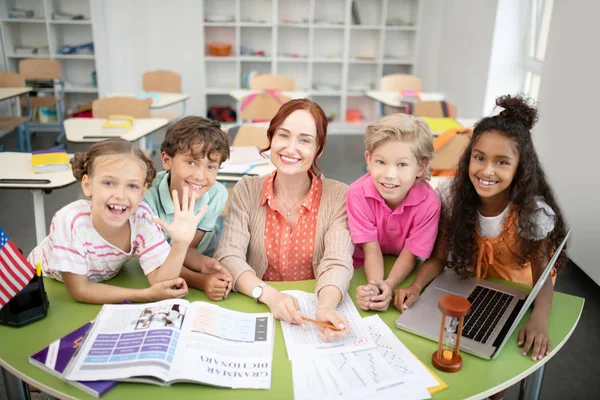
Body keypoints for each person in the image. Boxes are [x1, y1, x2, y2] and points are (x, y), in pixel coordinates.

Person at [394, 95, 568, 377]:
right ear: (469, 157)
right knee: (430, 348)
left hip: (514, 292)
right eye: (479, 158)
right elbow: (438, 259)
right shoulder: (452, 195)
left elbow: (542, 280)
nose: (487, 171)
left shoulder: (533, 214)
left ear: (520, 168)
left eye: (501, 162)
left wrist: (538, 319)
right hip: (468, 283)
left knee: (494, 371)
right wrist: (415, 288)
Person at [214, 99, 354, 342]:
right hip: (256, 306)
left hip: (310, 315)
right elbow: (229, 257)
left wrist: (326, 307)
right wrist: (269, 296)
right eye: (284, 135)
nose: (291, 148)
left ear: (319, 149)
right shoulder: (247, 189)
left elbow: (337, 262)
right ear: (272, 138)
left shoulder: (338, 195)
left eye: (305, 140)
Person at [28, 138, 207, 304]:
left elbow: (162, 283)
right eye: (109, 183)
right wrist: (144, 295)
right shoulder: (69, 221)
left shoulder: (142, 218)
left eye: (132, 186)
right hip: (43, 282)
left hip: (102, 282)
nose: (120, 195)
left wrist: (180, 244)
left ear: (143, 192)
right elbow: (79, 290)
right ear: (88, 185)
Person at [347, 114, 440, 312]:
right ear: (369, 159)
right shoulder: (357, 193)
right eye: (380, 162)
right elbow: (370, 249)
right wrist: (375, 288)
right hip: (363, 266)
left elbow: (410, 256)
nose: (390, 174)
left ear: (421, 167)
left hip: (405, 269)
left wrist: (389, 285)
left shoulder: (429, 203)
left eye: (402, 165)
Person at [144, 116, 233, 301]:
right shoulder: (146, 197)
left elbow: (188, 248)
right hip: (156, 272)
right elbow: (162, 263)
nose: (200, 176)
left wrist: (204, 264)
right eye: (191, 162)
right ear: (166, 160)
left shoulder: (216, 194)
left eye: (211, 166)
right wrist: (202, 280)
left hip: (193, 265)